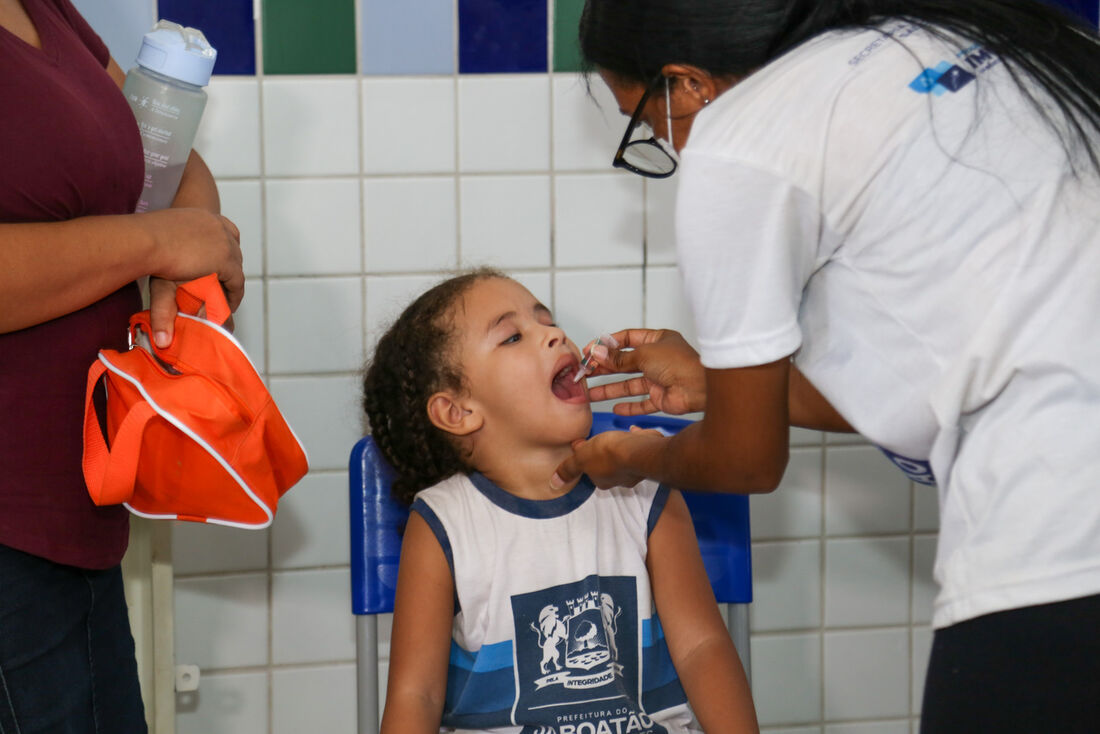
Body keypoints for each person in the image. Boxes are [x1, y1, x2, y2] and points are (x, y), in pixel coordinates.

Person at [550, 0, 1100, 731]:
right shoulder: (945, 37)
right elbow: (955, 369)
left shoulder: (741, 140)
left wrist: (637, 457)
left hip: (1062, 537)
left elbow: (747, 465)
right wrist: (725, 386)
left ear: (686, 83)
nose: (673, 148)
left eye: (649, 125)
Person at [362, 269, 758, 734]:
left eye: (547, 321)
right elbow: (417, 695)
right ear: (458, 411)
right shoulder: (443, 523)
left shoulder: (645, 487)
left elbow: (701, 648)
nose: (554, 334)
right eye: (513, 337)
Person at [0, 0, 244, 729]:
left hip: (74, 514)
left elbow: (168, 158)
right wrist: (153, 247)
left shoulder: (44, 9)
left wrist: (177, 253)